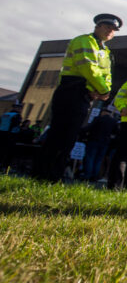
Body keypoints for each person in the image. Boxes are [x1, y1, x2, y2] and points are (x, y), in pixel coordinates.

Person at [33, 14, 121, 182]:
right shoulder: (84, 41)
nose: (110, 31)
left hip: (85, 94)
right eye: (107, 27)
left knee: (69, 137)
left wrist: (103, 91)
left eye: (114, 29)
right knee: (59, 134)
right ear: (97, 26)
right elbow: (87, 67)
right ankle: (43, 174)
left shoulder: (105, 51)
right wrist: (102, 90)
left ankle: (53, 175)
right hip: (71, 89)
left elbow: (106, 75)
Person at [81, 108, 119, 181]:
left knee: (90, 157)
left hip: (94, 140)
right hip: (105, 142)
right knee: (99, 159)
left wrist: (82, 131)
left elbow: (89, 128)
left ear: (103, 113)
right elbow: (116, 132)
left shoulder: (98, 119)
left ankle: (88, 175)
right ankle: (95, 176)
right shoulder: (113, 121)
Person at [0, 102, 23, 169]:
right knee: (8, 152)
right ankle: (4, 166)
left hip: (1, 133)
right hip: (10, 135)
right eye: (20, 108)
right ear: (17, 108)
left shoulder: (5, 114)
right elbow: (14, 125)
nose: (20, 110)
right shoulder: (17, 115)